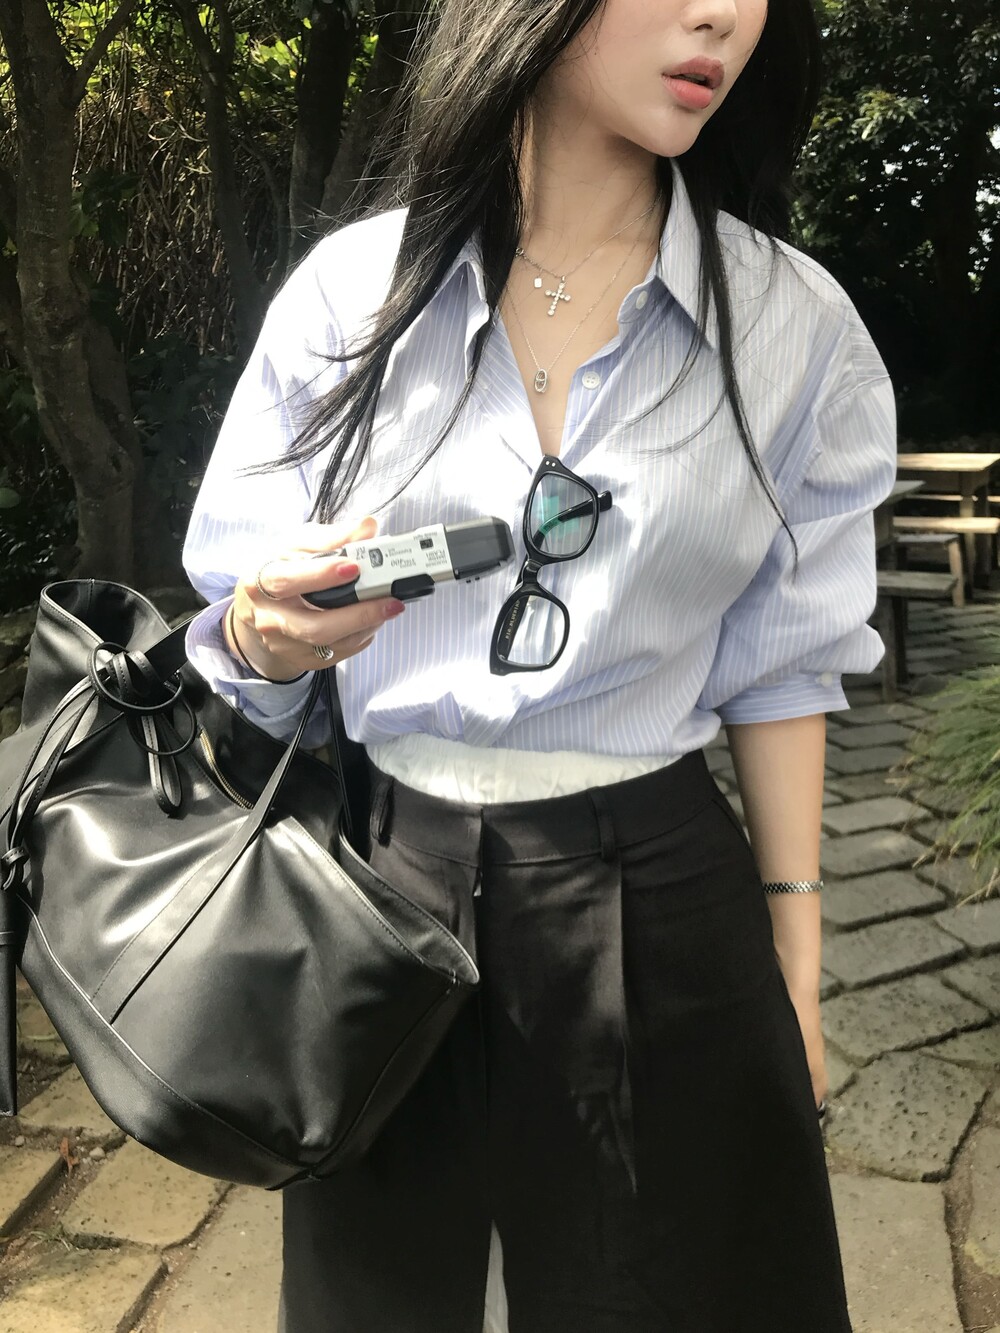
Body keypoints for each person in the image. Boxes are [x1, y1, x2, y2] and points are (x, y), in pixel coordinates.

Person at [182, 0, 897, 1327]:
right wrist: (267, 634)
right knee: (382, 1300)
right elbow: (235, 629)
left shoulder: (795, 327)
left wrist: (797, 968)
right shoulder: (351, 293)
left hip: (661, 891)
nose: (720, 16)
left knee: (689, 1296)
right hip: (378, 885)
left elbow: (786, 669)